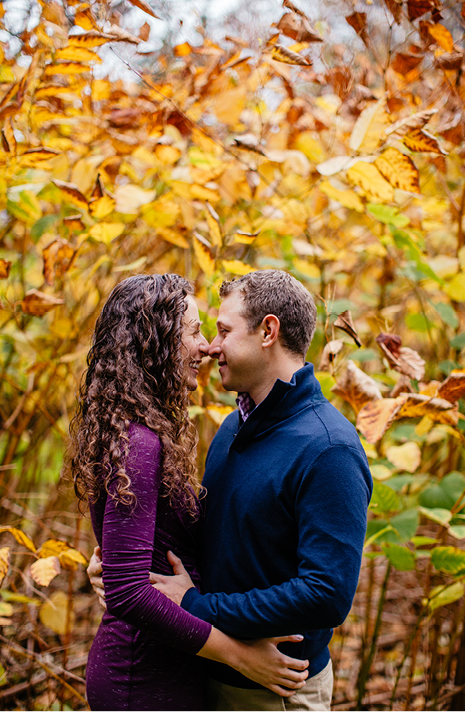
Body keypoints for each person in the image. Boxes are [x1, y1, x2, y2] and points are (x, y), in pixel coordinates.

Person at [90, 269, 372, 710]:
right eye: (207, 331)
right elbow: (215, 539)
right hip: (207, 671)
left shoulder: (328, 448)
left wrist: (198, 605)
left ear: (268, 331)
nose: (211, 346)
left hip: (273, 686)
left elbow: (326, 594)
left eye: (222, 330)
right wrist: (121, 563)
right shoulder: (231, 429)